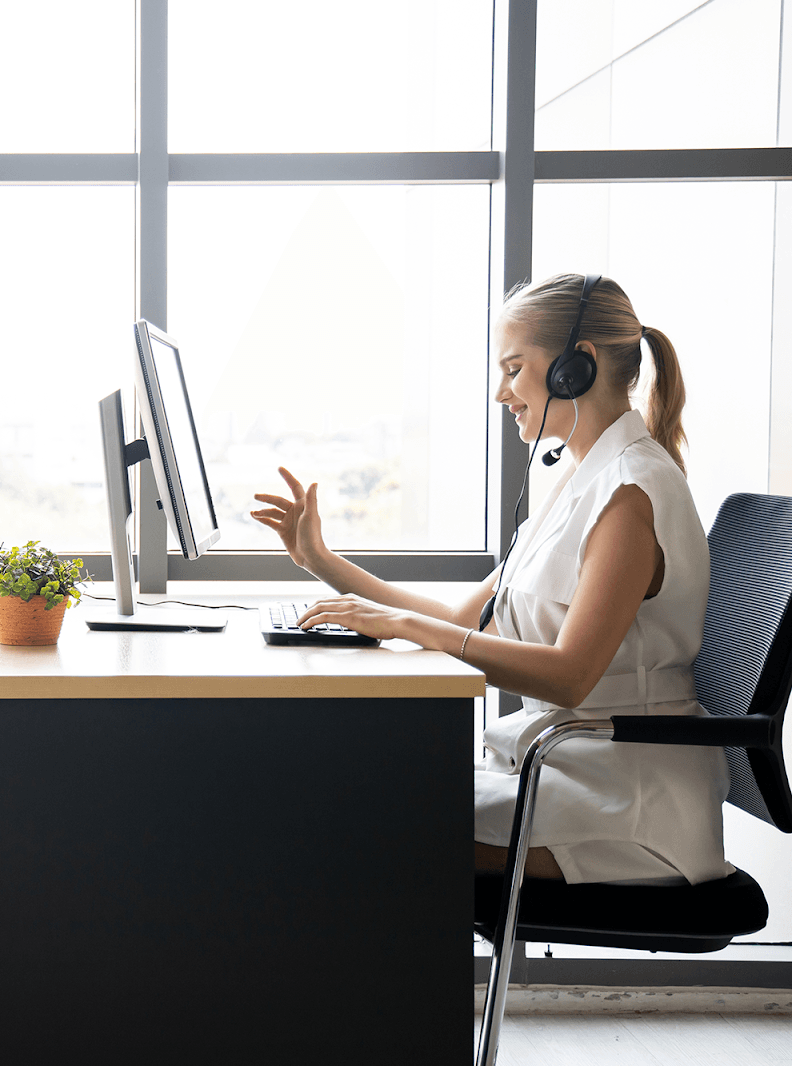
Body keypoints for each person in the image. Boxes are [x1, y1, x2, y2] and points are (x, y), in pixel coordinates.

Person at [251, 273, 731, 886]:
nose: (502, 393)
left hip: (628, 808)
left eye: (513, 369)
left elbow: (571, 674)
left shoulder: (630, 492)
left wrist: (407, 627)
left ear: (574, 367)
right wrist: (323, 563)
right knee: (345, 792)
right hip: (572, 771)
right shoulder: (583, 483)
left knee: (351, 818)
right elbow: (463, 622)